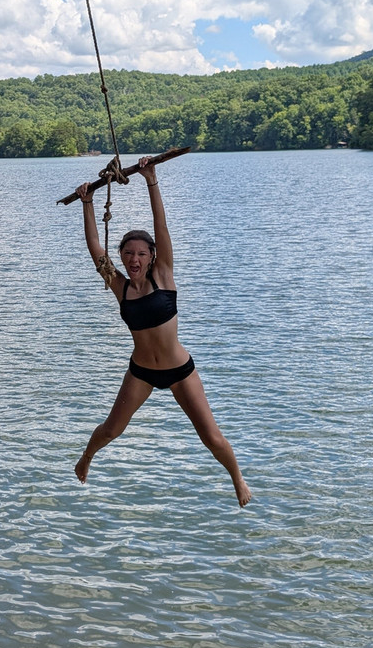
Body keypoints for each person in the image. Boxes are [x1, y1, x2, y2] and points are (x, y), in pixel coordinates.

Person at [73, 156, 252, 507]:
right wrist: (88, 203)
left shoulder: (164, 275)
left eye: (141, 253)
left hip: (179, 370)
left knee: (212, 438)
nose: (134, 260)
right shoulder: (119, 286)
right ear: (122, 258)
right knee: (111, 430)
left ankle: (238, 478)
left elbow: (162, 226)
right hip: (140, 372)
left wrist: (151, 180)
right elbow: (96, 250)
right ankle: (86, 458)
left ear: (152, 256)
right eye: (128, 254)